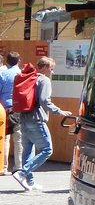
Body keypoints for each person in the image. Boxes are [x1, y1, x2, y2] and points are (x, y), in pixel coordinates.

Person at [12, 56, 66, 192]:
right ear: (45, 67)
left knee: (28, 150)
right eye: (51, 69)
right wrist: (59, 111)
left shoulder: (30, 78)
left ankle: (29, 182)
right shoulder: (44, 80)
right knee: (47, 149)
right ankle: (22, 173)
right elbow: (44, 101)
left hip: (23, 119)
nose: (52, 72)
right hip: (36, 120)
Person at [0, 51, 20, 176]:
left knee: (4, 137)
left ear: (6, 61)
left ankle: (3, 165)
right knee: (19, 139)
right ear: (19, 61)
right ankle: (19, 167)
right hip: (20, 109)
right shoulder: (23, 74)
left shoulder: (4, 74)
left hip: (5, 109)